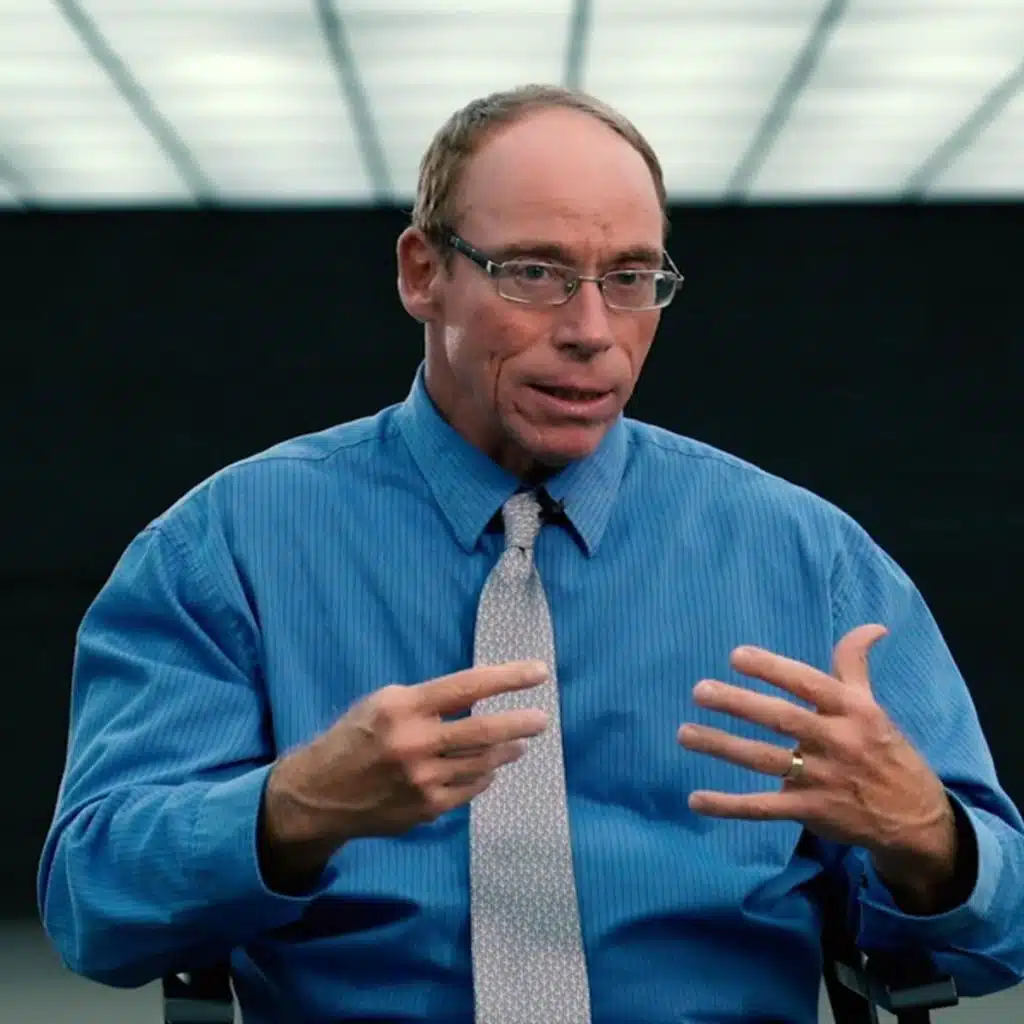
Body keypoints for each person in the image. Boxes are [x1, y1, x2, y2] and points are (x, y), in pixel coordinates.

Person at [38, 84, 1024, 1024]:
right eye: (535, 273)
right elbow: (96, 904)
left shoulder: (811, 560)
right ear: (422, 273)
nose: (592, 332)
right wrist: (294, 809)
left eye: (630, 279)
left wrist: (927, 838)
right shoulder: (226, 549)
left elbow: (1004, 926)